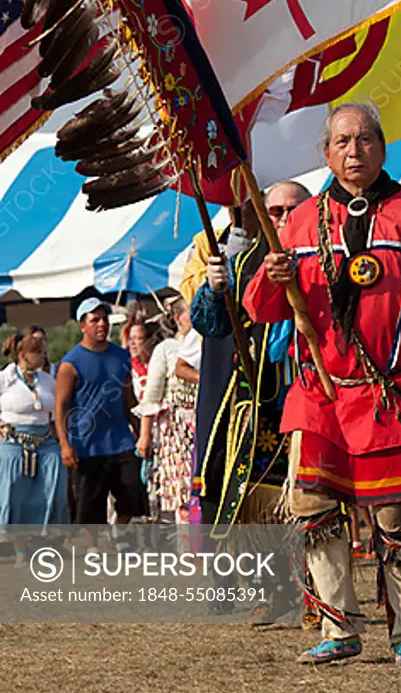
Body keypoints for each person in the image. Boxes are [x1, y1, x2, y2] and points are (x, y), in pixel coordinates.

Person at [237, 103, 401, 664]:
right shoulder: (298, 223)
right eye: (342, 142)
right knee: (312, 503)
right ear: (325, 153)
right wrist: (269, 279)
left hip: (392, 390)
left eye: (364, 139)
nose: (353, 151)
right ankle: (338, 626)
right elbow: (262, 309)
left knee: (397, 514)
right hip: (319, 390)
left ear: (382, 147)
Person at [192, 180, 311, 530]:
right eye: (276, 211)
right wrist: (213, 291)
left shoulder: (327, 260)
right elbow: (208, 324)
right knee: (240, 504)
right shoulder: (241, 262)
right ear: (263, 214)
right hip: (251, 401)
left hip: (309, 399)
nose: (285, 218)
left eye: (295, 210)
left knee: (312, 504)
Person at [54, 298, 150, 538]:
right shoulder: (70, 363)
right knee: (90, 507)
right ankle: (93, 548)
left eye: (104, 319)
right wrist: (65, 445)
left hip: (121, 441)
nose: (101, 324)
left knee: (133, 493)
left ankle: (118, 535)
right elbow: (60, 407)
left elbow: (129, 400)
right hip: (87, 445)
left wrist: (142, 432)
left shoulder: (121, 356)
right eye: (94, 319)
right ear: (82, 326)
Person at [0, 334, 67, 557]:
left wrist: (61, 438)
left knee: (53, 479)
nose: (43, 356)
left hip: (45, 440)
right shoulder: (5, 378)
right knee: (15, 490)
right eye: (37, 352)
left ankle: (41, 538)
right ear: (23, 355)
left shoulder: (47, 379)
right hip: (13, 440)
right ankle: (19, 547)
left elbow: (58, 409)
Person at [137, 297, 198, 521]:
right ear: (178, 318)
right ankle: (188, 551)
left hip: (205, 424)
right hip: (177, 429)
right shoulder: (166, 349)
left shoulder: (208, 345)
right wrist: (145, 437)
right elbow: (151, 396)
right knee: (183, 494)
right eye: (192, 310)